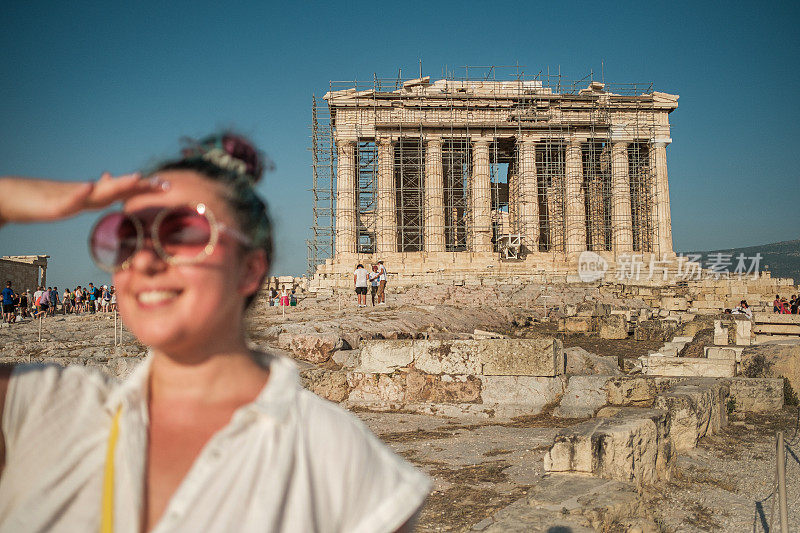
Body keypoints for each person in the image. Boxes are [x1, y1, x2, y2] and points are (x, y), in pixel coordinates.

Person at [0, 133, 429, 531]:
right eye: (126, 236)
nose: (145, 261)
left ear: (250, 268)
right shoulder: (49, 411)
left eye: (184, 231)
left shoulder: (340, 461)